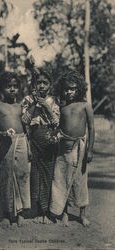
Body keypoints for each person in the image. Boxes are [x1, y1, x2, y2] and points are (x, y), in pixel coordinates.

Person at [50, 70, 95, 227]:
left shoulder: (85, 106)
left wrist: (90, 150)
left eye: (73, 88)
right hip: (63, 149)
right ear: (62, 89)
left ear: (79, 89)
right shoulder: (62, 108)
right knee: (61, 180)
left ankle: (83, 214)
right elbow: (59, 128)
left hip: (80, 148)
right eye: (66, 89)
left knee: (80, 181)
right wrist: (54, 135)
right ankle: (64, 213)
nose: (69, 92)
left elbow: (91, 128)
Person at [0, 71, 31, 227]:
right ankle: (6, 213)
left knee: (22, 175)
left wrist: (29, 146)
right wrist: (0, 134)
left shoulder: (20, 107)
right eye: (8, 86)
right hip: (5, 142)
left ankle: (21, 214)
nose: (12, 89)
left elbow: (26, 126)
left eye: (15, 86)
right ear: (1, 89)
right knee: (6, 177)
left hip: (22, 141)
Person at [22, 70, 60, 224]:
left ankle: (47, 211)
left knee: (48, 176)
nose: (42, 85)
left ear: (50, 85)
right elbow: (24, 120)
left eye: (45, 83)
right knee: (35, 176)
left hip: (50, 141)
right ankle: (38, 211)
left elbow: (57, 122)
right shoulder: (27, 99)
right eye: (39, 83)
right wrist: (34, 104)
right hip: (34, 140)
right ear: (35, 85)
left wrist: (46, 106)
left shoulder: (54, 100)